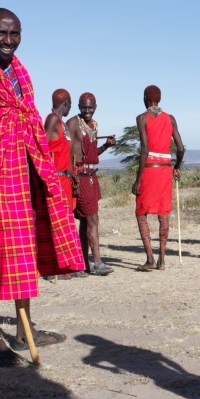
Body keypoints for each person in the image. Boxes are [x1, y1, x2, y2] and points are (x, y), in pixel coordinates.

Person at [0, 8, 82, 366]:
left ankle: (24, 333)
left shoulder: (21, 75)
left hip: (20, 179)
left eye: (15, 34)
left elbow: (27, 124)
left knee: (23, 256)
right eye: (0, 34)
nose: (8, 41)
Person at [131, 85, 186, 271]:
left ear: (145, 97)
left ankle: (150, 259)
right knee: (163, 214)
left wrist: (138, 179)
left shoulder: (141, 119)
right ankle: (162, 260)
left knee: (141, 213)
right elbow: (180, 149)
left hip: (148, 170)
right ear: (159, 99)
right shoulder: (170, 119)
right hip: (164, 171)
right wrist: (176, 167)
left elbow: (144, 150)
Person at [67, 93, 116, 276]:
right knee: (92, 219)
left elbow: (90, 154)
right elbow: (65, 150)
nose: (87, 110)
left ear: (95, 106)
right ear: (78, 107)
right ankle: (96, 263)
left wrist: (106, 146)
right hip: (80, 176)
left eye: (90, 107)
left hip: (91, 176)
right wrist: (71, 174)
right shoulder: (73, 124)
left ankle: (84, 263)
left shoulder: (94, 125)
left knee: (88, 220)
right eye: (83, 107)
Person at [43, 89, 77, 281]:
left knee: (64, 222)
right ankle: (53, 268)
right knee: (55, 223)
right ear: (65, 103)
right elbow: (43, 145)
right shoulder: (53, 119)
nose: (70, 107)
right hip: (55, 179)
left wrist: (70, 172)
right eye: (70, 104)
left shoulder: (61, 123)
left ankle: (63, 265)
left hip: (64, 178)